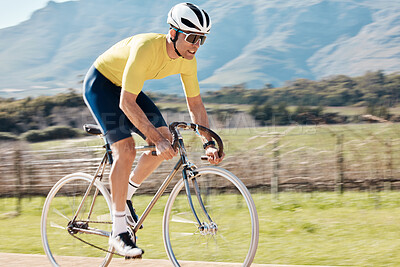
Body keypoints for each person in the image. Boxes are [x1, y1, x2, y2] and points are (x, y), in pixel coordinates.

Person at [83, 2, 224, 257]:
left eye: (202, 39)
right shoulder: (146, 49)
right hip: (101, 85)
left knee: (167, 139)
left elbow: (196, 105)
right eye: (192, 37)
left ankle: (126, 195)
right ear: (173, 33)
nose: (196, 45)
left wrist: (208, 141)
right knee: (126, 150)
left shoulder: (188, 61)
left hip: (127, 89)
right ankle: (118, 233)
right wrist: (154, 138)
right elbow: (125, 102)